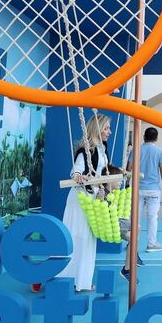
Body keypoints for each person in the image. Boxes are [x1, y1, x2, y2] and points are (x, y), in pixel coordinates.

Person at [57, 113, 114, 292]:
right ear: (97, 129)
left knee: (88, 239)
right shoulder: (86, 150)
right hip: (81, 200)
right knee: (77, 237)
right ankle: (66, 279)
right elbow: (75, 171)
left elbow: (102, 171)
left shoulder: (102, 148)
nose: (109, 132)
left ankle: (82, 281)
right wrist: (79, 176)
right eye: (106, 128)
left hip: (92, 199)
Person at [126, 127, 162, 252]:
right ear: (156, 138)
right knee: (152, 217)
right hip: (153, 190)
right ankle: (151, 243)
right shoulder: (160, 151)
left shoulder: (136, 150)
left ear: (144, 137)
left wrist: (128, 184)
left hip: (138, 189)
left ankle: (132, 244)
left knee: (135, 217)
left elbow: (128, 169)